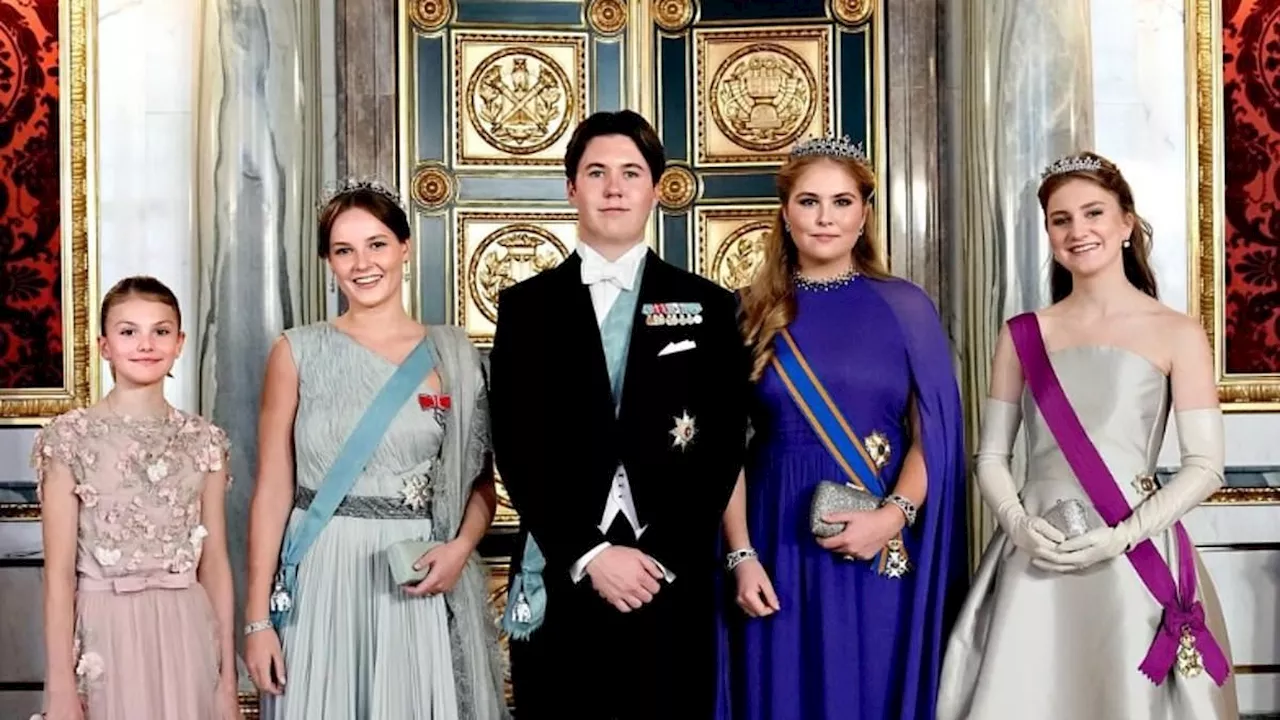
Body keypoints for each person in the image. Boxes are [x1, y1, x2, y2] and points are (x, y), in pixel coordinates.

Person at [937, 151, 1239, 719]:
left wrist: (1122, 537)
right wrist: (1019, 525)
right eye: (1060, 219)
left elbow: (1205, 466)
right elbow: (992, 455)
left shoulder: (1177, 333)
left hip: (1135, 555)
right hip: (1035, 556)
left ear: (1126, 223)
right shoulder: (1024, 335)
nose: (1078, 230)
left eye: (1094, 213)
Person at [488, 110, 751, 718]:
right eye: (597, 172)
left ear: (655, 190)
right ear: (570, 187)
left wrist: (662, 556)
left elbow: (722, 447)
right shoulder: (527, 307)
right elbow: (515, 442)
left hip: (669, 573)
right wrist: (589, 553)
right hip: (566, 566)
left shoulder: (709, 306)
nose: (614, 188)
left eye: (631, 173)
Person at [714, 137, 969, 719]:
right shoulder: (747, 312)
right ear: (785, 213)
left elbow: (936, 435)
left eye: (841, 201)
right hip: (774, 538)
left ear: (864, 214)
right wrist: (740, 555)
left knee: (871, 689)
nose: (825, 217)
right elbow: (723, 451)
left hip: (882, 538)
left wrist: (890, 517)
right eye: (809, 202)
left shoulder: (905, 306)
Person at [241, 181, 508, 719]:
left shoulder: (456, 355)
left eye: (377, 244)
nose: (363, 263)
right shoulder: (296, 351)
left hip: (417, 572)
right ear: (328, 261)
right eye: (344, 250)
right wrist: (256, 620)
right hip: (322, 573)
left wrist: (459, 551)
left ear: (405, 247)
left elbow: (481, 484)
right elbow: (272, 490)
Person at [31, 276, 239, 720]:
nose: (146, 344)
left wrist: (227, 683)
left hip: (186, 630)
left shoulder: (204, 441)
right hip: (104, 632)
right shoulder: (68, 439)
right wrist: (62, 688)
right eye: (129, 332)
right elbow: (59, 576)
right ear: (104, 345)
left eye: (160, 331)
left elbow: (216, 562)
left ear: (180, 342)